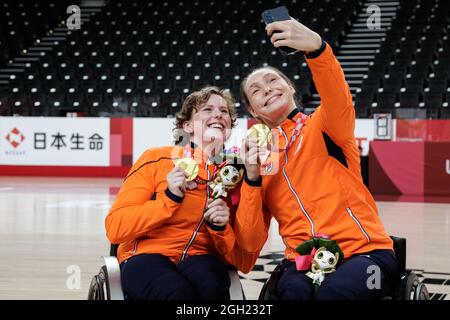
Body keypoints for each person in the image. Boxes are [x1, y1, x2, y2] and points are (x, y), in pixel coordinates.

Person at [237, 18, 399, 300]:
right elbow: (250, 242)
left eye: (273, 80)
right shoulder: (259, 160)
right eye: (256, 90)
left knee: (332, 294)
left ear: (290, 87)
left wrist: (317, 51)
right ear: (253, 111)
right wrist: (251, 178)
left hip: (364, 253)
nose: (266, 88)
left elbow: (337, 95)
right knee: (293, 294)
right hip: (302, 260)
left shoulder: (325, 125)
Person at [105, 86, 261, 300]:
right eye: (207, 109)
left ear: (229, 128)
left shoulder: (236, 173)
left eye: (224, 111)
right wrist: (169, 198)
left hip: (203, 257)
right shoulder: (156, 158)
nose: (218, 114)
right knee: (177, 293)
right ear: (187, 126)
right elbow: (115, 228)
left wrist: (220, 228)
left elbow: (244, 260)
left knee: (212, 290)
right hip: (147, 255)